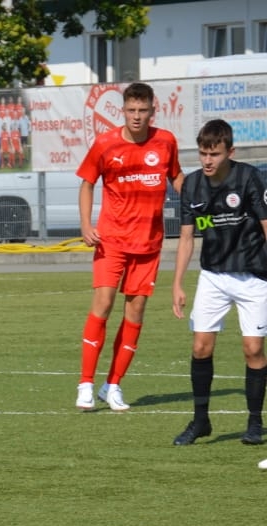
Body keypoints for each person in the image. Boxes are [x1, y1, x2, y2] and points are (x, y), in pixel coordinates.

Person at [74, 81, 183, 412]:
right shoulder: (105, 144)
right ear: (122, 110)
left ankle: (113, 386)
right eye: (131, 110)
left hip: (148, 243)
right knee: (103, 303)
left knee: (135, 313)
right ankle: (85, 384)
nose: (137, 116)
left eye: (142, 110)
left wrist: (201, 197)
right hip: (112, 240)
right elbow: (86, 184)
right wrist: (86, 224)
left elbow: (177, 178)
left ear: (153, 110)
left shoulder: (166, 141)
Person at [169, 119, 267, 446]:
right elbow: (186, 238)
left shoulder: (249, 178)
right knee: (200, 347)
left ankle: (254, 423)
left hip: (253, 276)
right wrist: (177, 284)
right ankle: (200, 421)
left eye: (214, 154)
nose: (207, 160)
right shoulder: (192, 185)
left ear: (230, 152)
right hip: (213, 276)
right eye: (203, 153)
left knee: (253, 349)